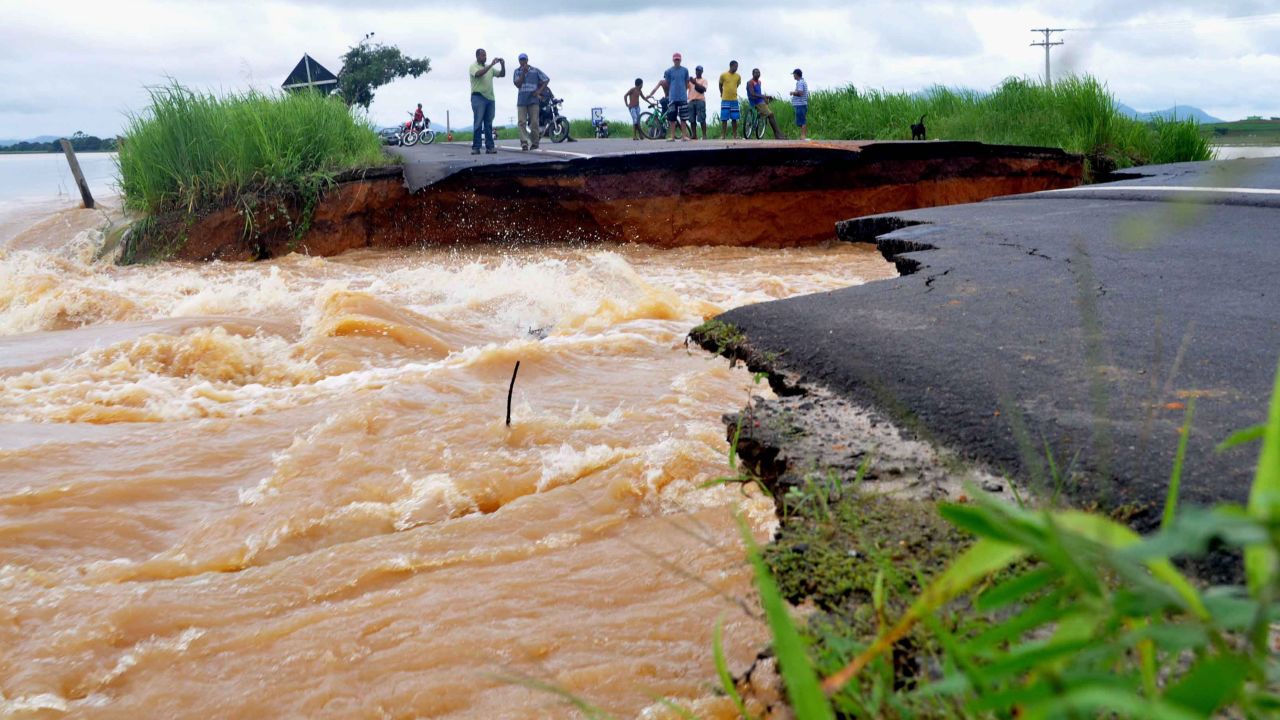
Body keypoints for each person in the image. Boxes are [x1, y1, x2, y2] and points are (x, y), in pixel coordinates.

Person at [469, 49, 504, 155]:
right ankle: (476, 147)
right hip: (478, 97)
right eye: (483, 56)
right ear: (477, 56)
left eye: (485, 55)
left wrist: (503, 65)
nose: (485, 57)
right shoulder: (473, 66)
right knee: (478, 123)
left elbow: (502, 75)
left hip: (490, 98)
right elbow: (479, 74)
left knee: (488, 124)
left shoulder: (490, 68)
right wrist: (491, 65)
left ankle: (490, 147)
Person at [512, 53, 549, 151]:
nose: (522, 61)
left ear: (527, 60)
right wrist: (523, 73)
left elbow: (546, 79)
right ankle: (524, 143)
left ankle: (535, 143)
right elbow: (518, 84)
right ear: (519, 61)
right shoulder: (517, 71)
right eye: (521, 60)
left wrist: (539, 91)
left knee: (534, 122)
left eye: (524, 59)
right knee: (521, 122)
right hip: (522, 101)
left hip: (533, 100)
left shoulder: (535, 70)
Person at [661, 52, 691, 142]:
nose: (677, 61)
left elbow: (686, 82)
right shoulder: (669, 71)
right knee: (672, 118)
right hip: (672, 97)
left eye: (678, 59)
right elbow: (668, 83)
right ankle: (672, 136)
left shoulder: (685, 70)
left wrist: (683, 91)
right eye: (675, 59)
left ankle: (684, 136)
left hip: (682, 97)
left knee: (683, 117)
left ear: (680, 60)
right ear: (673, 60)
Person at [746, 68, 783, 139]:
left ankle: (777, 134)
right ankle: (778, 134)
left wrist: (766, 97)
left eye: (759, 73)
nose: (757, 74)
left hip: (760, 101)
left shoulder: (759, 82)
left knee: (769, 108)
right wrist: (763, 96)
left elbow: (758, 93)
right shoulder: (750, 82)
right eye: (756, 73)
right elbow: (752, 93)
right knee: (771, 115)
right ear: (753, 74)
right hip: (755, 101)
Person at [718, 60, 741, 139]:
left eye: (737, 67)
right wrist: (721, 93)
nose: (736, 68)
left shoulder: (738, 76)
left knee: (734, 118)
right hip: (725, 100)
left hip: (734, 100)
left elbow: (737, 85)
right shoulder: (723, 75)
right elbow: (720, 85)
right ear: (731, 66)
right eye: (735, 66)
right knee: (724, 118)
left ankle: (735, 135)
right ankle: (723, 135)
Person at [688, 66, 709, 140]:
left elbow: (702, 90)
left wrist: (695, 83)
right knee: (692, 119)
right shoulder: (691, 80)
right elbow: (685, 87)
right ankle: (694, 135)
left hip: (700, 100)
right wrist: (687, 80)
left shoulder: (704, 80)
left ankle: (704, 135)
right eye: (697, 70)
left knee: (702, 118)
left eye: (699, 71)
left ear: (702, 72)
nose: (698, 72)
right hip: (691, 101)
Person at [790, 68, 810, 141]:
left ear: (796, 74)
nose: (793, 76)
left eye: (794, 75)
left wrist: (793, 92)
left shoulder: (800, 82)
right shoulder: (801, 82)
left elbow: (800, 93)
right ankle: (802, 137)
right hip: (801, 104)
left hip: (801, 104)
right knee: (801, 121)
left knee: (802, 121)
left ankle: (803, 137)